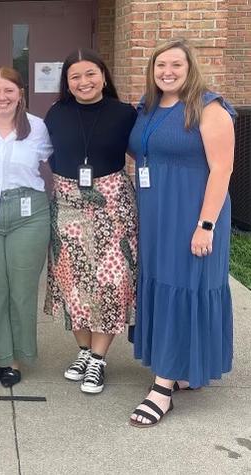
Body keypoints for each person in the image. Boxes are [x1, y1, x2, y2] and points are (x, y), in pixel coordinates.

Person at [127, 39, 235, 427]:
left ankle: (161, 389)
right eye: (160, 66)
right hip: (156, 216)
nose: (167, 72)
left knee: (185, 286)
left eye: (176, 65)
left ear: (191, 68)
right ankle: (183, 365)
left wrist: (205, 224)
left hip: (193, 215)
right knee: (164, 284)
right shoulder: (149, 107)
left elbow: (222, 170)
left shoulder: (209, 108)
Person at [43, 48, 138, 394]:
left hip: (112, 206)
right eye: (75, 77)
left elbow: (145, 152)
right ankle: (84, 351)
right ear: (67, 83)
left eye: (90, 74)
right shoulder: (55, 113)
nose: (84, 82)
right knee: (73, 282)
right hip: (67, 206)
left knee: (110, 283)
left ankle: (98, 359)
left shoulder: (125, 113)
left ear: (103, 76)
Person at [0, 67, 52, 387]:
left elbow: (63, 161)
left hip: (28, 215)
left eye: (9, 91)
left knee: (21, 289)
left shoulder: (39, 129)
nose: (2, 97)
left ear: (21, 94)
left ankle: (16, 358)